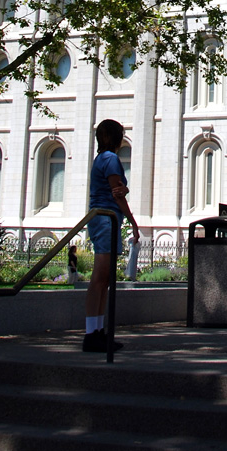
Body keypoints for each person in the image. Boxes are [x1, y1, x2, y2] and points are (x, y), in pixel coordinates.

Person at [83, 118, 140, 351]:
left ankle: (97, 331)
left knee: (104, 280)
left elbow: (116, 188)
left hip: (105, 218)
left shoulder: (102, 159)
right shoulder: (111, 159)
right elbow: (117, 193)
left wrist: (122, 188)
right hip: (106, 218)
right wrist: (134, 222)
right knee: (100, 278)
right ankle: (91, 334)